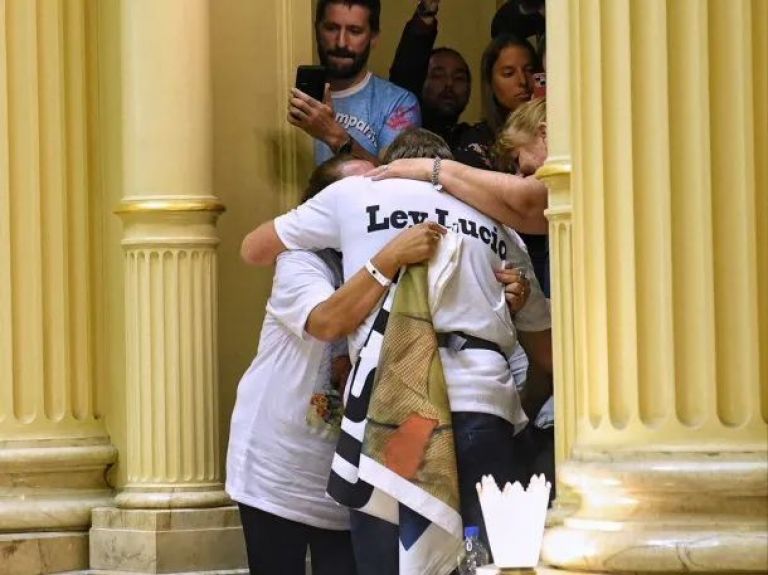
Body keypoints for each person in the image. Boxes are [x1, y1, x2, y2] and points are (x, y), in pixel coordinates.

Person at [240, 128, 552, 571]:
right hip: (483, 409)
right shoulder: (499, 222)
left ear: (389, 167)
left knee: (392, 554)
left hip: (404, 419)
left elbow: (254, 248)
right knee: (483, 563)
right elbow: (550, 356)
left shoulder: (354, 193)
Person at [226, 154, 448, 575]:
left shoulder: (402, 260)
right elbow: (327, 322)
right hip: (277, 469)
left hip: (351, 474)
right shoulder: (300, 260)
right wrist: (388, 259)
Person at [288, 0, 421, 166]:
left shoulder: (398, 104)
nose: (341, 42)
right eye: (331, 28)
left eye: (354, 31)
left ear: (373, 37)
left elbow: (395, 184)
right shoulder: (286, 91)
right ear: (317, 29)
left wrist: (334, 135)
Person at [389, 0, 472, 149]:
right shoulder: (404, 134)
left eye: (459, 78)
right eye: (438, 76)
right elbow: (407, 68)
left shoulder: (475, 141)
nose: (449, 84)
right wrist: (426, 12)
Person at [453, 34, 540, 170]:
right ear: (490, 83)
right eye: (508, 73)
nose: (523, 81)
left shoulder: (556, 132)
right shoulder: (477, 142)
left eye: (529, 71)